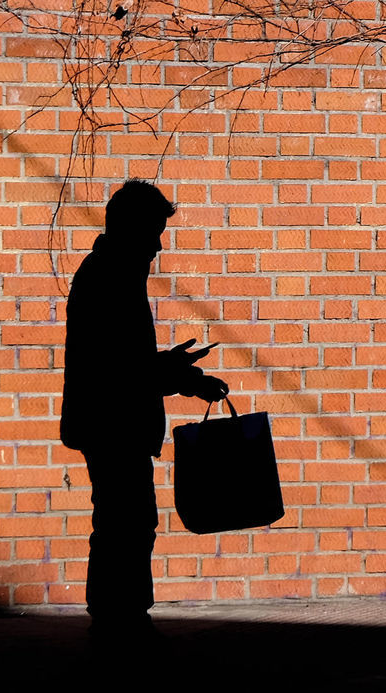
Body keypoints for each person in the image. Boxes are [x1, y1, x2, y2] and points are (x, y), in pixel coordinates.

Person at [60, 179, 228, 636]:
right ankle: (120, 619)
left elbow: (121, 363)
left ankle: (119, 615)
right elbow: (121, 370)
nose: (157, 245)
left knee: (122, 521)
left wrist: (177, 369)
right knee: (127, 523)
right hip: (113, 426)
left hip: (108, 424)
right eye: (153, 232)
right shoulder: (110, 278)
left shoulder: (109, 273)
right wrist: (185, 378)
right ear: (131, 228)